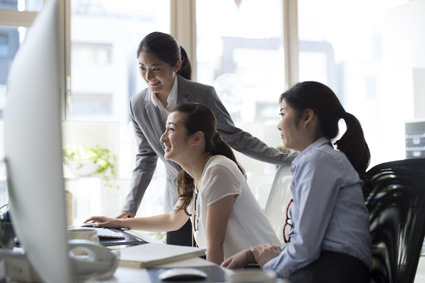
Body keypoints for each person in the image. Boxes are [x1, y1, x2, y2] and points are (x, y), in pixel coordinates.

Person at [118, 31, 296, 246]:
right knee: (179, 268)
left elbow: (236, 137)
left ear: (176, 65)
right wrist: (128, 210)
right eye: (142, 68)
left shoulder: (202, 95)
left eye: (156, 68)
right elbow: (145, 159)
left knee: (215, 254)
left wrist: (287, 159)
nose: (148, 76)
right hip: (178, 200)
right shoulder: (137, 104)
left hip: (214, 191)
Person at [86, 102, 280, 265]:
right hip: (236, 271)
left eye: (171, 129)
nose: (162, 138)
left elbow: (215, 246)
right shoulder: (194, 175)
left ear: (197, 138)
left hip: (260, 269)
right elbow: (173, 220)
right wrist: (119, 223)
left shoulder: (218, 170)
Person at [222, 81, 372, 283]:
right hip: (330, 267)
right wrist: (252, 254)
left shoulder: (319, 160)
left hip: (333, 271)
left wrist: (269, 266)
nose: (278, 124)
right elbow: (308, 244)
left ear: (307, 116)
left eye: (283, 114)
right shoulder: (317, 159)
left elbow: (305, 247)